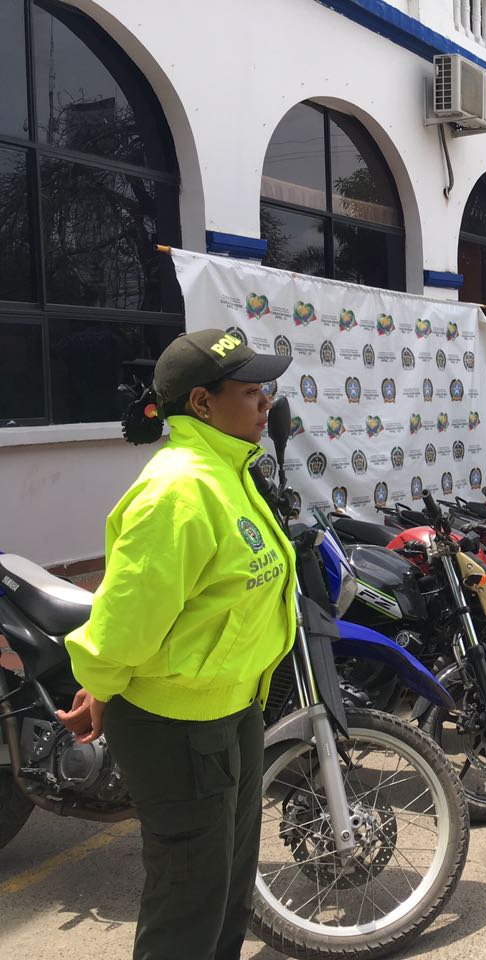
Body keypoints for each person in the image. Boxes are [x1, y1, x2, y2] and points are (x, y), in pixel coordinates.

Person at [57, 329, 295, 960]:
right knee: (188, 900)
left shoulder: (230, 470)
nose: (266, 401)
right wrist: (100, 686)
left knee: (228, 889)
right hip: (177, 724)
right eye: (251, 391)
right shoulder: (179, 492)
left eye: (266, 388)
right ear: (202, 402)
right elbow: (127, 618)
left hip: (231, 707)